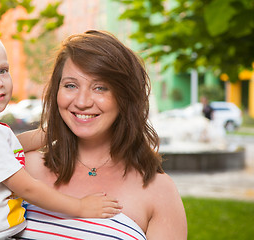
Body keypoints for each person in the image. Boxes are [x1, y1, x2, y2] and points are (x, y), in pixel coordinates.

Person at [0, 24, 121, 240]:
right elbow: (28, 188)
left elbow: (15, 144)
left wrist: (56, 129)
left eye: (3, 70)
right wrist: (80, 206)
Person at [15, 30, 187, 239]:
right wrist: (50, 132)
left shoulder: (158, 190)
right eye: (71, 85)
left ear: (124, 97)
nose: (82, 101)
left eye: (100, 88)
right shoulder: (24, 168)